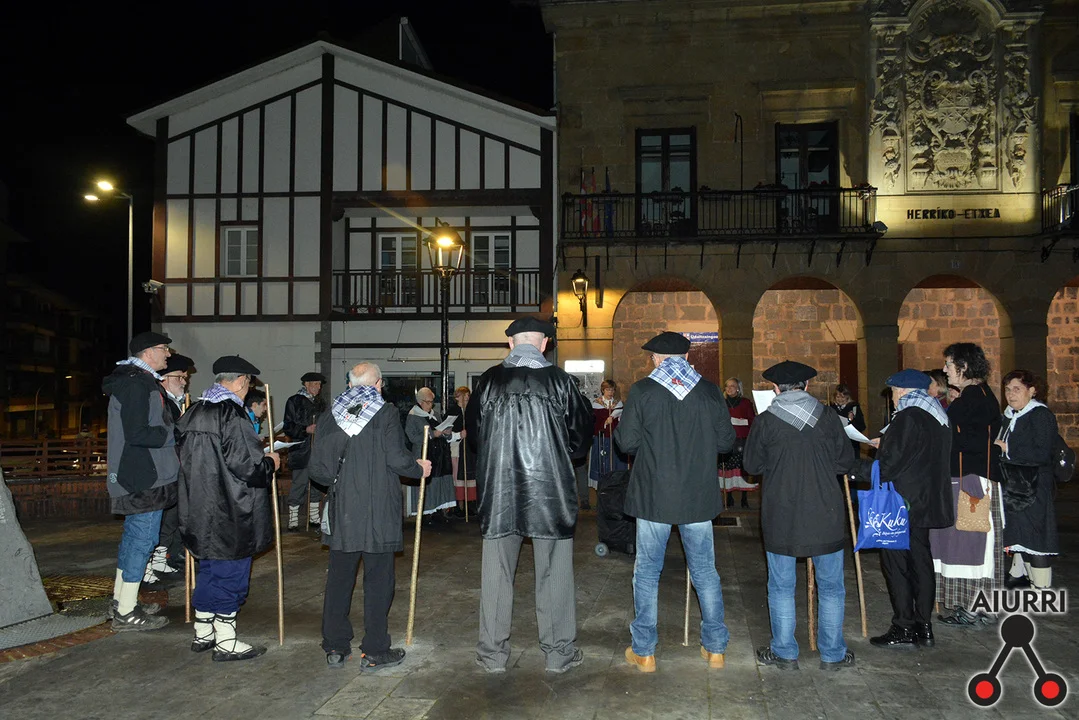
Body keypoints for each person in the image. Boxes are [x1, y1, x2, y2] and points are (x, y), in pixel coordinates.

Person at [465, 316, 593, 674]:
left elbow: (475, 436)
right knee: (555, 573)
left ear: (510, 343)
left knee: (496, 573)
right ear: (545, 344)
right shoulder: (562, 382)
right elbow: (580, 439)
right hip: (550, 491)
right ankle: (558, 654)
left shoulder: (488, 381)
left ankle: (492, 656)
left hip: (499, 490)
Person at [616, 332, 735, 673]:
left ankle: (645, 652)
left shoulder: (643, 390)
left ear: (656, 359)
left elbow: (627, 442)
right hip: (697, 496)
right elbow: (726, 442)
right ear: (687, 357)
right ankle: (715, 648)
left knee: (647, 572)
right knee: (705, 571)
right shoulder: (710, 391)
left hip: (654, 495)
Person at [308, 363, 432, 669]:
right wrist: (418, 468)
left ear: (350, 385)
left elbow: (318, 470)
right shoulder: (385, 412)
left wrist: (341, 483)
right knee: (378, 580)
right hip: (378, 511)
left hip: (344, 510)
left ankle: (335, 646)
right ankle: (375, 649)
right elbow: (397, 458)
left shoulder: (330, 415)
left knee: (339, 579)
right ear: (378, 384)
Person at [743, 360, 858, 671]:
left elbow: (752, 466)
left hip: (782, 514)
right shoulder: (829, 418)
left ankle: (784, 652)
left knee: (781, 585)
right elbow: (845, 461)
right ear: (807, 386)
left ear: (775, 389)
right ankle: (832, 654)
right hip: (825, 511)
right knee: (831, 586)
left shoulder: (766, 421)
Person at [177, 355, 281, 662]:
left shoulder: (195, 410)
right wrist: (270, 463)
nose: (248, 389)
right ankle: (226, 641)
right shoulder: (232, 414)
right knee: (230, 573)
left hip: (199, 506)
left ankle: (203, 631)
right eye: (248, 383)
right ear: (239, 382)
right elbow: (247, 467)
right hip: (231, 508)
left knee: (208, 570)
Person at [868, 370, 953, 649]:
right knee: (921, 560)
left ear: (903, 391)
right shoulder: (937, 415)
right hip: (926, 501)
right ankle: (924, 625)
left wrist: (870, 463)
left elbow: (892, 463)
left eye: (893, 392)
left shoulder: (907, 416)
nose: (892, 398)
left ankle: (904, 625)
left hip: (901, 503)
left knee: (896, 563)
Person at [102, 331, 179, 631]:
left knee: (134, 539)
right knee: (142, 540)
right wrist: (175, 433)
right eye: (164, 348)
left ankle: (123, 600)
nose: (168, 354)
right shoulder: (136, 383)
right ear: (148, 352)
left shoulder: (138, 380)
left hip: (140, 472)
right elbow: (138, 433)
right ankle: (126, 612)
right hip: (143, 475)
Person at [931, 343, 1003, 628]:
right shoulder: (978, 395)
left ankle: (975, 609)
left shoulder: (973, 398)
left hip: (972, 483)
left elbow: (966, 441)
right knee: (971, 546)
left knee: (972, 547)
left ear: (963, 366)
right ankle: (978, 608)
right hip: (973, 479)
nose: (945, 369)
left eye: (949, 364)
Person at [996, 370, 1059, 590]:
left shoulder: (1040, 415)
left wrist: (1008, 448)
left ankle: (1041, 591)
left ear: (1032, 391)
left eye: (1017, 389)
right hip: (1016, 488)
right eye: (1007, 390)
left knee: (1036, 540)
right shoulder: (1010, 415)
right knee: (1022, 538)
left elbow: (1043, 452)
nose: (1010, 394)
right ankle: (1027, 582)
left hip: (1035, 487)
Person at [144, 351, 195, 586]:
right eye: (180, 377)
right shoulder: (159, 400)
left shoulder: (176, 400)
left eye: (185, 378)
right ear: (164, 378)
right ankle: (147, 565)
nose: (184, 382)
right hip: (159, 469)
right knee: (155, 520)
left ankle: (160, 558)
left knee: (171, 517)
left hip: (175, 468)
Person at [404, 387, 459, 520]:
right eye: (428, 402)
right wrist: (432, 434)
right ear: (420, 402)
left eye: (432, 402)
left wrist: (446, 433)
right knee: (428, 484)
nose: (431, 405)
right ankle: (426, 514)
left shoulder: (436, 415)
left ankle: (438, 511)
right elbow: (412, 437)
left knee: (439, 483)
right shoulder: (413, 416)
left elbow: (441, 431)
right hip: (424, 454)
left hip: (439, 455)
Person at [284, 372, 326, 531]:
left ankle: (314, 517)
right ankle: (293, 519)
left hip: (318, 450)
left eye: (319, 385)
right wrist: (305, 429)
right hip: (301, 449)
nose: (318, 387)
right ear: (306, 384)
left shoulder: (321, 403)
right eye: (315, 384)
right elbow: (288, 426)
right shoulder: (294, 401)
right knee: (299, 484)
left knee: (316, 484)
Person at [719, 377, 756, 509]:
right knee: (728, 469)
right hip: (728, 440)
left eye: (732, 386)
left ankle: (744, 498)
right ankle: (729, 497)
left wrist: (741, 421)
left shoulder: (745, 402)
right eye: (727, 386)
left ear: (738, 388)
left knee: (742, 469)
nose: (729, 388)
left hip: (742, 440)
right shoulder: (722, 403)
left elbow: (752, 420)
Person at [588, 380, 628, 489]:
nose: (610, 392)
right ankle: (600, 484)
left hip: (613, 437)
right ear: (603, 390)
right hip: (600, 437)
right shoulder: (596, 403)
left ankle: (615, 483)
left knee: (614, 460)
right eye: (608, 390)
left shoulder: (618, 403)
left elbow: (622, 419)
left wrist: (614, 416)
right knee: (601, 460)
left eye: (612, 390)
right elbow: (593, 421)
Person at [450, 386, 477, 514]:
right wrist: (459, 434)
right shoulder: (453, 411)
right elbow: (447, 431)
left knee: (468, 476)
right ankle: (457, 505)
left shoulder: (469, 412)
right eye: (465, 395)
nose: (467, 397)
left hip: (468, 449)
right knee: (457, 476)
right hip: (457, 448)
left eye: (468, 395)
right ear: (458, 396)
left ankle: (468, 504)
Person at [831, 384, 865, 455]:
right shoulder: (831, 409)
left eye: (843, 397)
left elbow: (861, 426)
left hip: (851, 444)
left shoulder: (854, 408)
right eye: (838, 397)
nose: (840, 399)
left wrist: (851, 420)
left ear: (847, 397)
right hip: (836, 444)